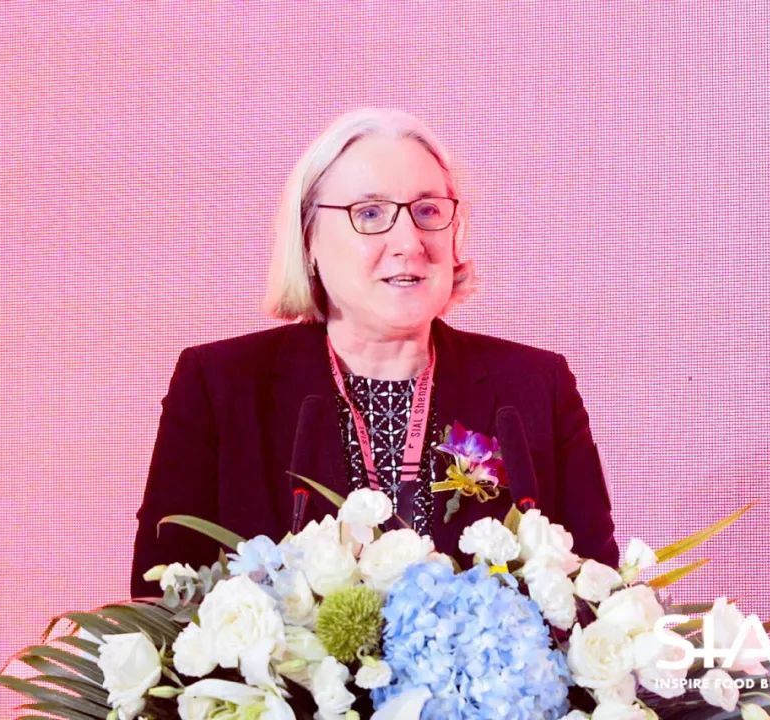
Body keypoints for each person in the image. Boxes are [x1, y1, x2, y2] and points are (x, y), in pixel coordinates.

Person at [130, 108, 617, 598]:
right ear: (309, 239)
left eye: (428, 211)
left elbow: (599, 599)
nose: (409, 242)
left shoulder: (536, 386)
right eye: (369, 214)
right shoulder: (220, 387)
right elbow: (163, 607)